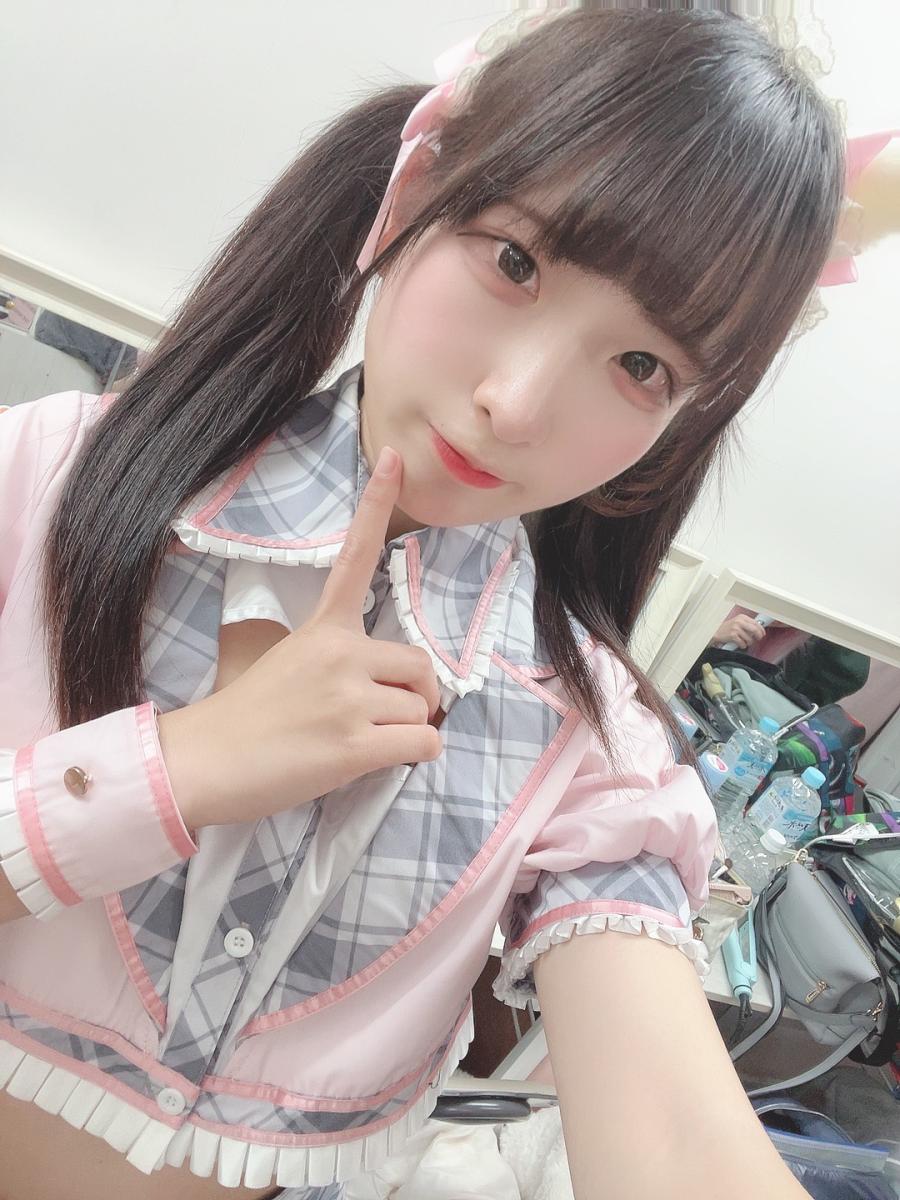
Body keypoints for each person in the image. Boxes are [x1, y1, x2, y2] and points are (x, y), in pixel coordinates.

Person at [0, 7, 866, 1199]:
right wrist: (181, 769)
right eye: (515, 261)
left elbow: (672, 1141)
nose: (516, 403)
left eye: (641, 366)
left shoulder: (584, 738)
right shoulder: (46, 479)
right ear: (413, 192)